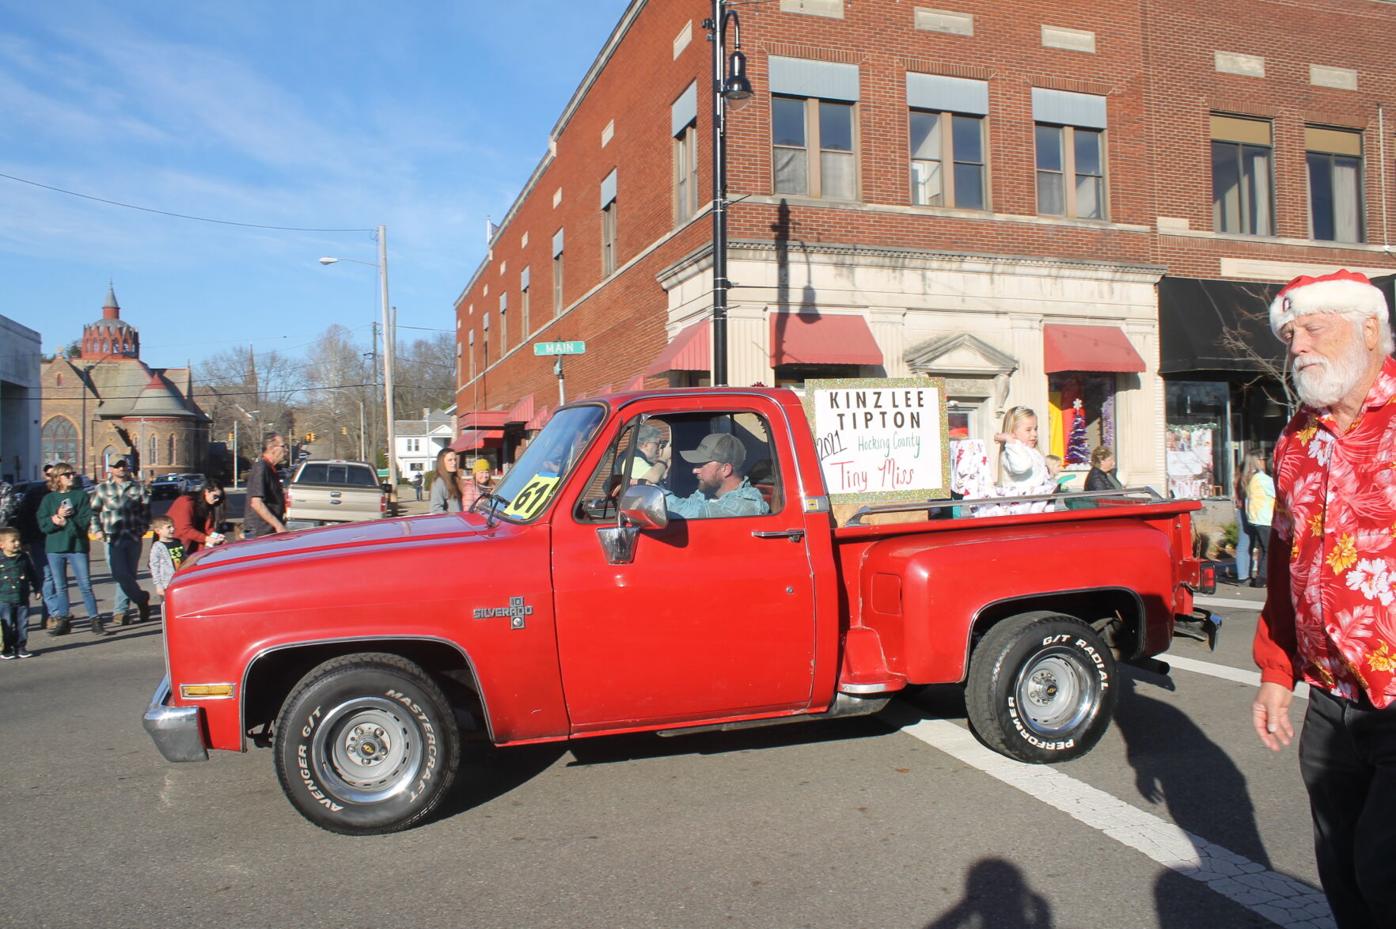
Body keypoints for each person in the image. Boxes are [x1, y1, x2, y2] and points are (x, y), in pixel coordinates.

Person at [1250, 269, 1396, 929]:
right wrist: (1276, 671)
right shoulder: (1296, 441)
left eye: (1312, 327)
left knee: (1384, 870)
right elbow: (1285, 566)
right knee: (1341, 872)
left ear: (1369, 328)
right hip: (1330, 701)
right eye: (1289, 335)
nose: (1298, 345)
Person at [37, 462, 102, 636]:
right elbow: (43, 525)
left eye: (73, 474)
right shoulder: (48, 499)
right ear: (57, 478)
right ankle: (63, 620)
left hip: (77, 547)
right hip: (55, 548)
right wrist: (55, 519)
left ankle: (95, 619)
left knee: (85, 585)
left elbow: (83, 524)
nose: (71, 477)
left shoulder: (80, 496)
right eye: (67, 474)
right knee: (60, 587)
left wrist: (66, 522)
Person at [644, 432, 768, 519]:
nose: (695, 470)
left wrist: (652, 492)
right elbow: (687, 505)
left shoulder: (745, 505)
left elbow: (688, 513)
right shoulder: (709, 491)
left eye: (701, 465)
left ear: (725, 469)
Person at [89, 457, 151, 625]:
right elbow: (93, 512)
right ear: (110, 468)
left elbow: (146, 511)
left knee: (129, 575)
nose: (121, 469)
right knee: (120, 575)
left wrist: (142, 529)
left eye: (123, 465)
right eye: (117, 466)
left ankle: (120, 611)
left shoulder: (138, 488)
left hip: (133, 537)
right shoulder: (102, 489)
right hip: (112, 538)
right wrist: (97, 530)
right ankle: (141, 598)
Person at [13, 465, 56, 628]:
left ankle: (52, 614)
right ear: (44, 475)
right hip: (38, 540)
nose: (52, 478)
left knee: (56, 579)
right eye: (49, 474)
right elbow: (23, 516)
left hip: (59, 541)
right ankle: (52, 614)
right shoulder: (35, 493)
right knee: (47, 577)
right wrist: (24, 540)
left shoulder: (66, 494)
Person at [994, 406, 1052, 495]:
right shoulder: (1010, 454)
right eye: (1028, 430)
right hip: (1021, 502)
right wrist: (1010, 440)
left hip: (1037, 499)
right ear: (1012, 432)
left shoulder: (1033, 451)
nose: (1034, 434)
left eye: (1035, 429)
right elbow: (1021, 466)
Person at [0, 526, 38, 659]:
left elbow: (32, 574)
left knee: (22, 625)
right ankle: (6, 649)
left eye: (18, 540)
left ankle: (20, 647)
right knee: (6, 625)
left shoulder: (23, 557)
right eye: (13, 541)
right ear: (2, 545)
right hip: (4, 599)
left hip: (22, 598)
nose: (17, 543)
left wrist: (37, 588)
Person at [243, 433, 288, 539]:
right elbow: (256, 503)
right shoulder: (261, 468)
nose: (286, 450)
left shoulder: (270, 468)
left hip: (269, 530)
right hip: (260, 532)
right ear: (271, 448)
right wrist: (278, 526)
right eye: (283, 446)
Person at [168, 480, 226, 554]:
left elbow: (208, 528)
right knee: (177, 561)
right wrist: (207, 538)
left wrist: (217, 537)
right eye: (215, 496)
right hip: (174, 542)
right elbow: (185, 529)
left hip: (192, 546)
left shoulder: (208, 507)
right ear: (206, 492)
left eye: (219, 498)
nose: (217, 500)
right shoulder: (186, 502)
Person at [1243, 454, 1275, 588]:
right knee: (1268, 549)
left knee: (1262, 548)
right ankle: (1262, 578)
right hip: (1265, 517)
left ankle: (1260, 577)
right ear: (1258, 463)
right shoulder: (1264, 479)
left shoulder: (1251, 479)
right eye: (1262, 459)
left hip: (1255, 517)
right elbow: (1277, 492)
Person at [147, 516, 185, 604]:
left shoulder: (177, 542)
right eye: (168, 527)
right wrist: (158, 585)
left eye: (173, 526)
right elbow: (154, 566)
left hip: (181, 578)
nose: (172, 529)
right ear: (158, 531)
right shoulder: (157, 546)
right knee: (168, 604)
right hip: (167, 582)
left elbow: (184, 558)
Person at [1233, 457, 1255, 584]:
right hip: (1244, 512)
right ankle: (1243, 575)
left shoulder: (1240, 479)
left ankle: (1245, 574)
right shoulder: (1243, 481)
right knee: (1244, 544)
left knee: (1248, 544)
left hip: (1245, 512)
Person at [428, 448, 463, 513]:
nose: (454, 463)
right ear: (442, 463)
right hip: (450, 519)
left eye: (455, 459)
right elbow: (435, 509)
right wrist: (451, 517)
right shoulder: (439, 482)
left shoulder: (454, 479)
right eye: (450, 460)